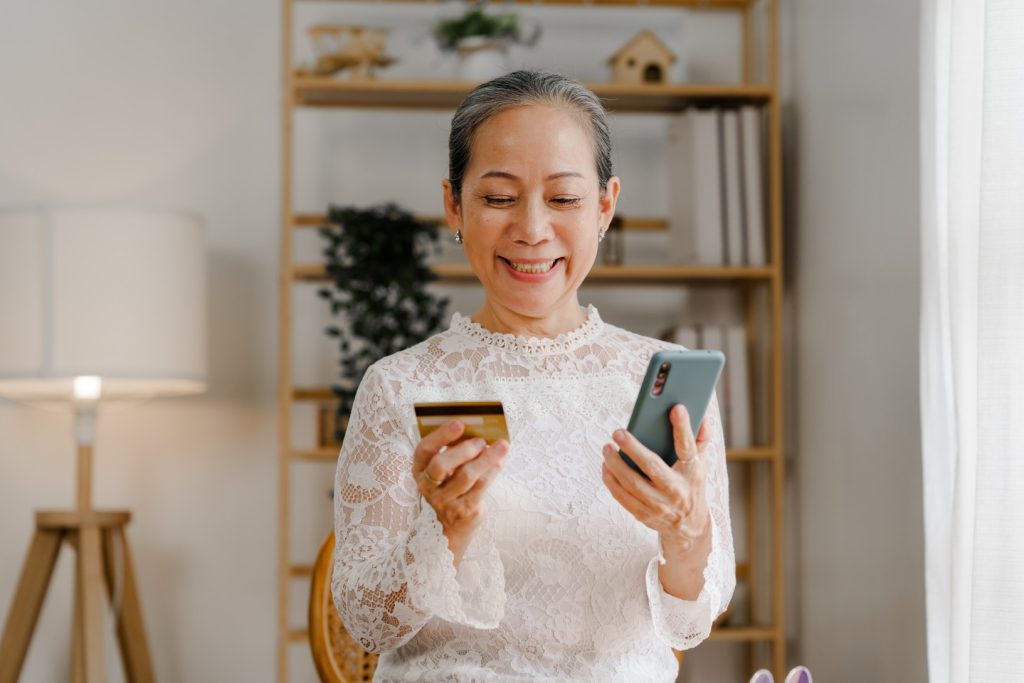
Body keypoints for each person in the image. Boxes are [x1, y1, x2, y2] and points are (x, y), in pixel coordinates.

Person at [332, 69, 735, 682]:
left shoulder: (660, 384)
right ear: (453, 206)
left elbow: (694, 620)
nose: (532, 229)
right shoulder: (401, 386)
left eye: (565, 199)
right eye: (498, 198)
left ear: (605, 207)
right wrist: (445, 528)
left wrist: (686, 530)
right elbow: (366, 623)